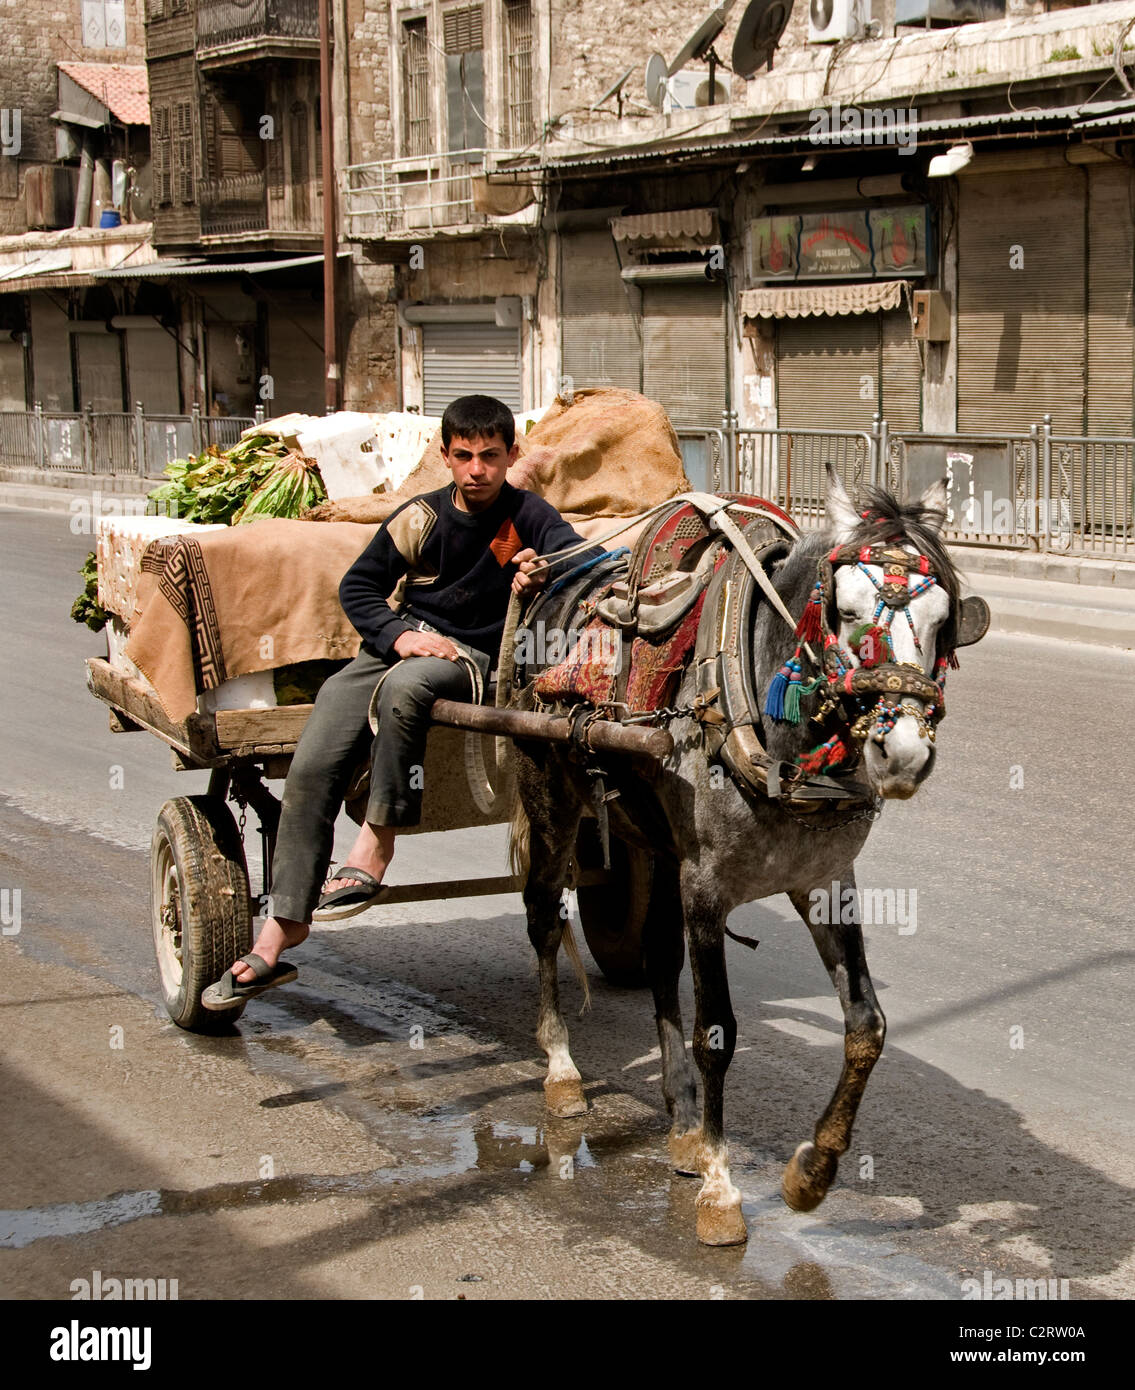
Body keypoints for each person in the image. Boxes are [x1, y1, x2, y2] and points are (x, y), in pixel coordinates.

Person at [203, 394, 602, 1010]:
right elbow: (358, 587)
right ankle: (280, 931)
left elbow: (588, 562)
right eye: (464, 456)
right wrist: (400, 634)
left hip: (476, 658)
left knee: (408, 688)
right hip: (406, 642)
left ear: (511, 456)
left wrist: (542, 571)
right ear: (445, 457)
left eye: (490, 457)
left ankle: (376, 843)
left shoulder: (530, 515)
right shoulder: (420, 517)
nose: (477, 470)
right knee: (314, 760)